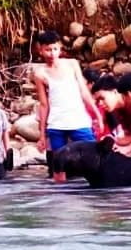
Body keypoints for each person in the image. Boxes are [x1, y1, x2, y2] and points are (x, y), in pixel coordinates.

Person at [31, 30, 100, 181]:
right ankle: (60, 199)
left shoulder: (72, 64)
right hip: (56, 124)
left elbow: (84, 91)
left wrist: (98, 116)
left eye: (55, 49)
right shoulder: (40, 73)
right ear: (40, 50)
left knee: (92, 156)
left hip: (79, 120)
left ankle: (97, 195)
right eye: (48, 50)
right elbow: (43, 104)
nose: (52, 53)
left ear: (60, 48)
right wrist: (42, 135)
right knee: (59, 164)